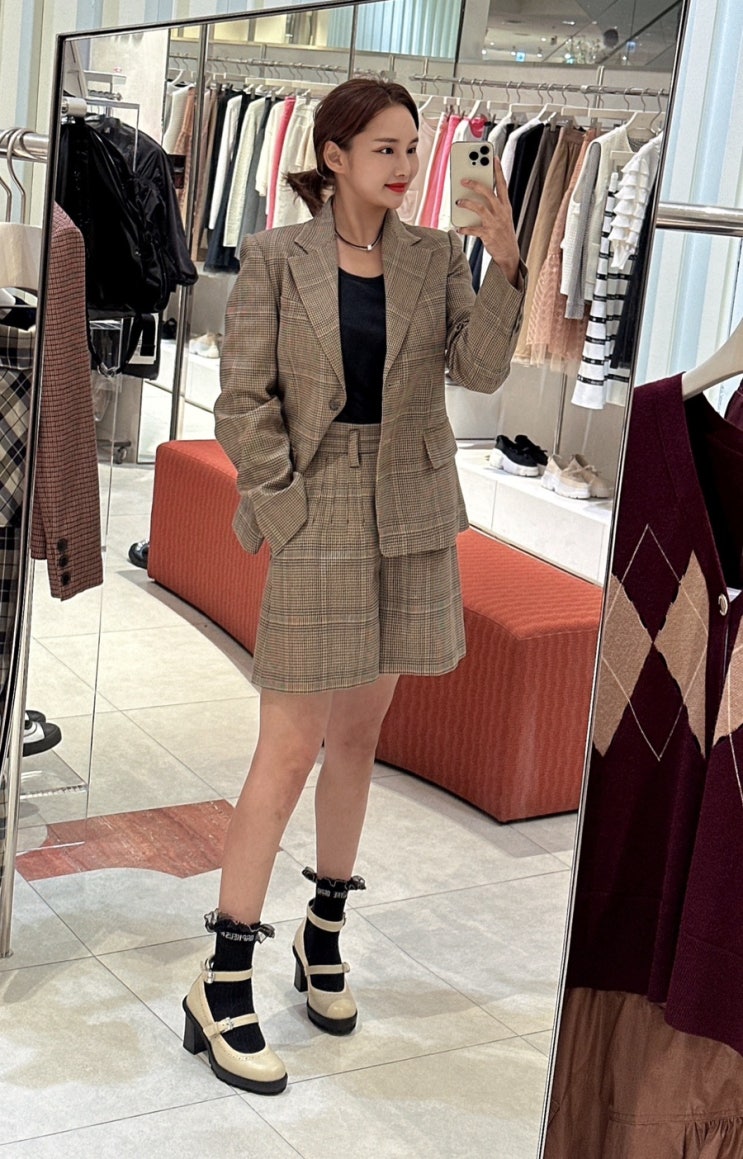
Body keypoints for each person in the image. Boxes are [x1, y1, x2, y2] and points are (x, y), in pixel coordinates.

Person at [182, 77, 525, 1095]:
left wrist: (505, 263)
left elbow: (480, 372)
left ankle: (322, 932)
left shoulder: (434, 256)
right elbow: (241, 399)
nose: (404, 163)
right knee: (287, 746)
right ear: (331, 156)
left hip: (410, 514)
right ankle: (222, 973)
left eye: (411, 147)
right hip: (318, 506)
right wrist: (285, 510)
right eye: (383, 147)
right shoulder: (275, 256)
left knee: (361, 736)